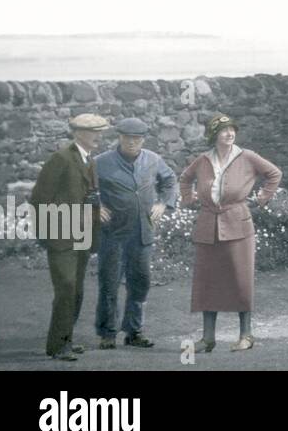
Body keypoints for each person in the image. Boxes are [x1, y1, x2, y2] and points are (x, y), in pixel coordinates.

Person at [179, 113, 282, 351]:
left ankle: (246, 335)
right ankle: (207, 339)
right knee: (207, 281)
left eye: (232, 129)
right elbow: (185, 178)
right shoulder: (203, 160)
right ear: (214, 135)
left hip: (239, 224)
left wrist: (263, 197)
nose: (229, 133)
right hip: (207, 226)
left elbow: (274, 174)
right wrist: (188, 198)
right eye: (224, 130)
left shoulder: (246, 156)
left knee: (240, 280)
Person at [94, 117, 178, 349]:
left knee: (140, 283)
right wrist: (94, 206)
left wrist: (163, 204)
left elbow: (170, 180)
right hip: (112, 235)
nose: (132, 142)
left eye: (137, 138)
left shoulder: (153, 159)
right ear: (119, 137)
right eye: (127, 137)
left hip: (142, 235)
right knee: (109, 285)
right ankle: (107, 333)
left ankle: (134, 331)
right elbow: (84, 187)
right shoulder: (101, 162)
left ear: (143, 139)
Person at [31, 113, 108, 360]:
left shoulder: (89, 161)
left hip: (82, 235)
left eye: (100, 131)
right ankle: (59, 346)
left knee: (76, 291)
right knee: (65, 289)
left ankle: (65, 339)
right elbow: (39, 199)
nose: (99, 136)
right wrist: (47, 235)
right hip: (61, 238)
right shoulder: (61, 158)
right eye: (93, 131)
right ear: (77, 134)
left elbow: (85, 195)